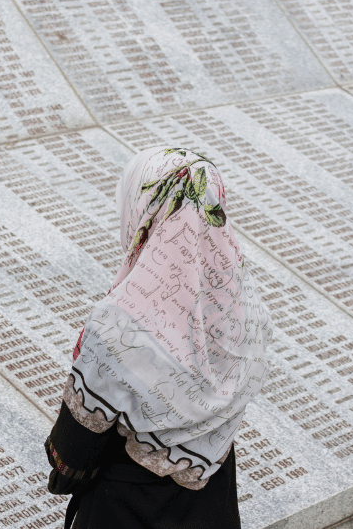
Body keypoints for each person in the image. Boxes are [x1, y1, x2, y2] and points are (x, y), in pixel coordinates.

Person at [45, 147, 272, 529]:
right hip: (211, 508)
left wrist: (65, 472)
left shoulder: (121, 320)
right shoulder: (245, 306)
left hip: (124, 510)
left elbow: (74, 449)